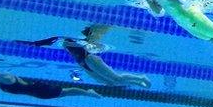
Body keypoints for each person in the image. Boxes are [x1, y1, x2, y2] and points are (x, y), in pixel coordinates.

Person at [16, 25, 152, 88]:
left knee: (116, 78)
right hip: (82, 63)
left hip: (89, 58)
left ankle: (140, 78)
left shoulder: (76, 39)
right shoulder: (64, 38)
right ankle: (136, 83)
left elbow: (53, 39)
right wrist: (31, 44)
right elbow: (46, 41)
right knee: (110, 83)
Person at [0, 69, 101, 99]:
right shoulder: (0, 84)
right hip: (39, 94)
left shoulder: (7, 78)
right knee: (65, 92)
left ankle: (88, 93)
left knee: (66, 92)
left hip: (40, 89)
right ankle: (88, 93)